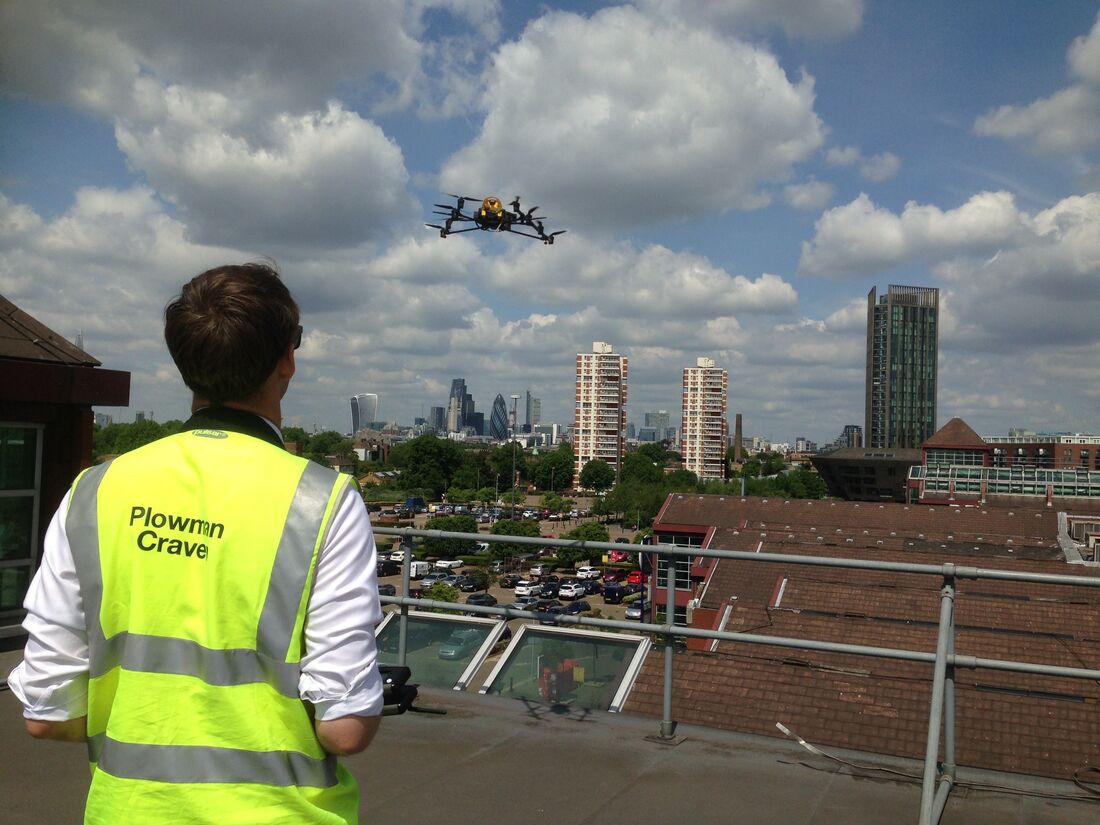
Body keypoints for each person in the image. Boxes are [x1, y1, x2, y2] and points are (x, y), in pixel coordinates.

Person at [8, 263, 384, 824]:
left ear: (185, 365)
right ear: (288, 357)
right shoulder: (321, 500)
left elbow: (46, 714)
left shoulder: (95, 492)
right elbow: (346, 728)